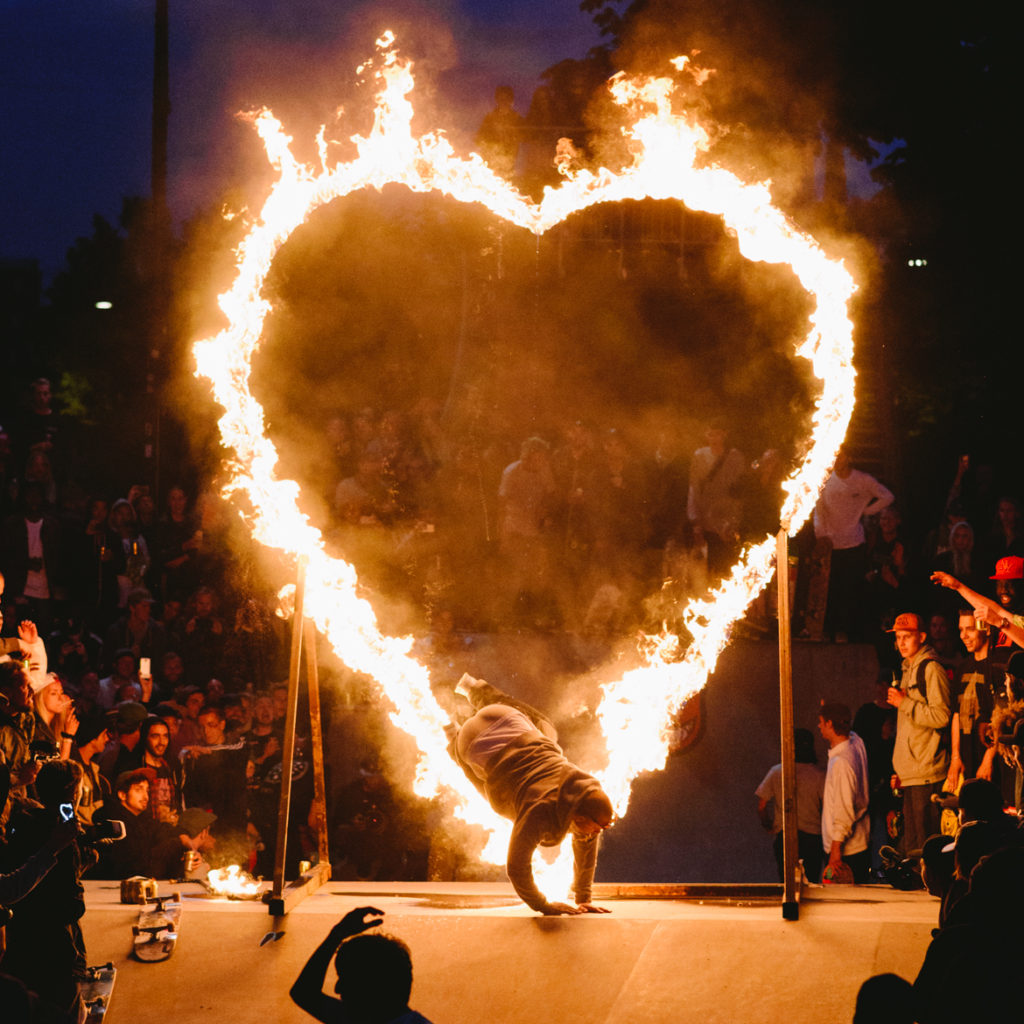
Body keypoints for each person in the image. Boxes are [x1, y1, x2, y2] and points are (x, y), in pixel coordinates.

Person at [447, 674, 614, 915]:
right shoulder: (539, 812)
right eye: (597, 828)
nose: (597, 834)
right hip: (470, 741)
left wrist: (583, 898)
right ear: (580, 818)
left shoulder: (585, 789)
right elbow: (517, 867)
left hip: (501, 713)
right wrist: (543, 905)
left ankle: (476, 689)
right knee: (488, 789)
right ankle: (450, 735)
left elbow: (586, 845)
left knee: (547, 730)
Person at [291, 906, 434, 1024]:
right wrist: (336, 935)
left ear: (371, 984)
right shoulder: (359, 1017)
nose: (337, 988)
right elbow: (304, 993)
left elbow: (304, 993)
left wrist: (336, 936)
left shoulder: (354, 1018)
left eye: (346, 978)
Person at [808, 447, 894, 642]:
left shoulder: (862, 480)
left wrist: (867, 511)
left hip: (854, 542)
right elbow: (818, 508)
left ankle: (845, 631)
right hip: (830, 544)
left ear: (848, 457)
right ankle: (825, 630)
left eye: (840, 455)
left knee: (850, 590)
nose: (836, 460)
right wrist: (821, 534)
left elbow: (887, 496)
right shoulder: (825, 479)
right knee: (829, 588)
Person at [887, 613, 952, 854]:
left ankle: (931, 889)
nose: (901, 642)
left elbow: (942, 716)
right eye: (898, 637)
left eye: (907, 637)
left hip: (927, 771)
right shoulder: (908, 669)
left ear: (922, 637)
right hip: (912, 772)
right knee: (913, 849)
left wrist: (905, 703)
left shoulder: (930, 669)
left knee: (926, 848)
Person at [754, 728, 825, 882]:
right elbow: (827, 807)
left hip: (785, 836)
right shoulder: (819, 775)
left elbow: (762, 805)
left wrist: (768, 824)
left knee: (787, 883)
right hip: (813, 837)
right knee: (812, 884)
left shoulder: (777, 772)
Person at [817, 702, 871, 882]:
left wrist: (835, 851)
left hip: (845, 852)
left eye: (822, 722)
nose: (819, 726)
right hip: (860, 843)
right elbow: (850, 732)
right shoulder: (856, 742)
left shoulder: (841, 763)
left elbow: (844, 809)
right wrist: (829, 708)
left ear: (830, 724)